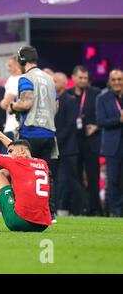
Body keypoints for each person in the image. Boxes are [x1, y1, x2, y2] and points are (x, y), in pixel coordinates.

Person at [9, 46, 57, 221]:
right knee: (46, 173)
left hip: (31, 131)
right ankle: (50, 213)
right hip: (49, 132)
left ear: (22, 61)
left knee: (24, 172)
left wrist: (13, 106)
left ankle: (26, 210)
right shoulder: (50, 79)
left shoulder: (26, 78)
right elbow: (56, 106)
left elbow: (26, 102)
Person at [66, 65, 102, 216]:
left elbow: (104, 114)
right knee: (75, 177)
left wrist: (97, 126)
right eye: (80, 77)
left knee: (93, 177)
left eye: (85, 78)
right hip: (73, 142)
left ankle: (95, 210)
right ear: (73, 78)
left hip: (91, 141)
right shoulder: (67, 95)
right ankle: (79, 209)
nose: (83, 80)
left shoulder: (96, 93)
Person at [53, 72, 87, 216]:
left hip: (68, 148)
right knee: (56, 180)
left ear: (64, 83)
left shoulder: (70, 100)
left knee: (73, 180)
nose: (53, 83)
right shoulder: (52, 100)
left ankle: (82, 209)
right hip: (56, 147)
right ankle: (58, 208)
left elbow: (70, 125)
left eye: (55, 81)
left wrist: (56, 140)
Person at [96, 69, 123, 217]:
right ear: (109, 82)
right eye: (114, 80)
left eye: (120, 79)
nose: (117, 82)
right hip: (112, 147)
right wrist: (119, 120)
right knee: (113, 182)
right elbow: (100, 121)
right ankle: (115, 213)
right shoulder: (102, 98)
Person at [0, 55, 22, 141]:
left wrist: (2, 103)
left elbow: (5, 104)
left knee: (9, 153)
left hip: (12, 126)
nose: (8, 69)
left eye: (10, 66)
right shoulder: (28, 78)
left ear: (17, 65)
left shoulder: (14, 80)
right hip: (23, 126)